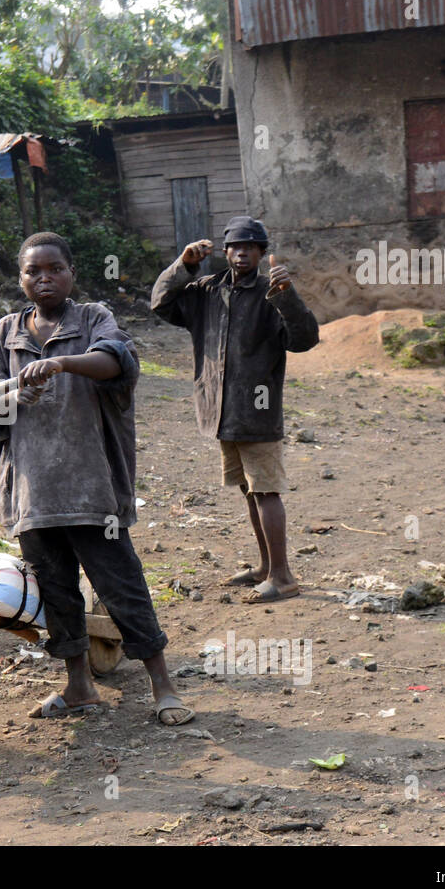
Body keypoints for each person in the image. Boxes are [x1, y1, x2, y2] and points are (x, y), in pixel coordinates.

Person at [0, 231, 193, 725]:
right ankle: (79, 685)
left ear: (71, 273)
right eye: (33, 272)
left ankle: (163, 684)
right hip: (33, 494)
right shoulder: (7, 332)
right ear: (21, 278)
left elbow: (118, 361)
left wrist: (63, 362)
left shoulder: (92, 319)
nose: (43, 279)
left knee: (121, 584)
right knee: (57, 592)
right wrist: (5, 397)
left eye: (54, 269)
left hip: (91, 490)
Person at [151, 215, 319, 603]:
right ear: (224, 252)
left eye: (250, 246)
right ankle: (264, 567)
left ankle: (283, 576)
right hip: (221, 410)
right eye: (234, 246)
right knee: (248, 490)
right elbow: (161, 302)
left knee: (266, 491)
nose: (241, 252)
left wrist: (287, 296)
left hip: (257, 411)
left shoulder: (271, 292)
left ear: (261, 252)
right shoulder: (207, 291)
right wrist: (184, 264)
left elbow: (305, 339)